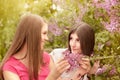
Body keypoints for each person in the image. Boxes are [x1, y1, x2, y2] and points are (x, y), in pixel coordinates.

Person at [0, 13, 70, 80]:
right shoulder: (10, 67)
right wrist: (51, 77)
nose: (47, 38)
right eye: (44, 33)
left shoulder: (45, 58)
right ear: (32, 35)